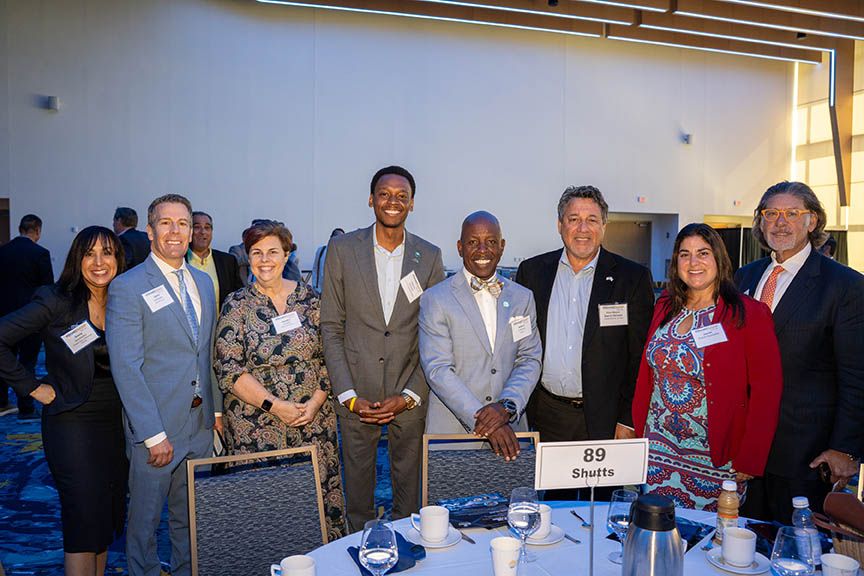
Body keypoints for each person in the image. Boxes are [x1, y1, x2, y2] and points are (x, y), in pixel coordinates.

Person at [321, 165, 445, 532]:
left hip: (409, 395)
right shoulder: (343, 249)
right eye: (385, 194)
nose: (393, 201)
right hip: (357, 396)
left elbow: (436, 335)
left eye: (401, 196)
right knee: (358, 499)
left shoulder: (429, 256)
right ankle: (358, 552)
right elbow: (331, 326)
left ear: (412, 203)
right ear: (371, 200)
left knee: (410, 499)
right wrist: (348, 396)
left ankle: (409, 551)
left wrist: (410, 395)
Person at [0, 226, 128, 575]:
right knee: (82, 516)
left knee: (104, 515)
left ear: (118, 259)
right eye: (89, 254)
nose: (99, 262)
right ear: (76, 259)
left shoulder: (124, 300)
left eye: (107, 253)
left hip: (116, 424)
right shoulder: (56, 300)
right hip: (71, 422)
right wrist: (31, 387)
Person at [735, 181, 864, 523]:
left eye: (792, 213)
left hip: (804, 456)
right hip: (744, 449)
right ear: (760, 222)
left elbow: (856, 375)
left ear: (812, 221)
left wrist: (845, 449)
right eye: (771, 213)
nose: (780, 222)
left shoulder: (844, 285)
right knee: (741, 540)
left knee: (796, 547)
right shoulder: (744, 277)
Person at [106, 194, 220, 576]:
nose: (175, 231)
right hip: (156, 429)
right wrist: (152, 434)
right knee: (144, 526)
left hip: (199, 425)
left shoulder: (203, 282)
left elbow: (205, 353)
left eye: (183, 223)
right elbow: (126, 367)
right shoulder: (128, 287)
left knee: (190, 520)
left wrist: (216, 414)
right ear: (150, 230)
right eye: (166, 223)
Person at [632, 223, 783, 510]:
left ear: (719, 259)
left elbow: (767, 392)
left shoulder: (748, 313)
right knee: (660, 528)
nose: (693, 263)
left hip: (715, 458)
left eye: (703, 253)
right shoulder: (665, 305)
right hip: (658, 450)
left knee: (710, 535)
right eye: (685, 254)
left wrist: (751, 457)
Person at [213, 220, 346, 540]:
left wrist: (315, 403)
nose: (265, 260)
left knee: (315, 507)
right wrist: (276, 406)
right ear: (247, 257)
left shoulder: (312, 299)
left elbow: (332, 355)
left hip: (313, 423)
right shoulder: (236, 304)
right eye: (256, 252)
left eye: (273, 251)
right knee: (265, 513)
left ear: (287, 255)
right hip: (256, 426)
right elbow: (229, 369)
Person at [514, 186, 654, 450]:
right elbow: (519, 344)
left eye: (591, 220)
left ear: (603, 226)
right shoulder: (532, 273)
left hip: (607, 420)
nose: (582, 228)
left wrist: (628, 419)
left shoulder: (631, 278)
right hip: (546, 415)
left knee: (603, 483)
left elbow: (640, 357)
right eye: (573, 219)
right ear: (560, 225)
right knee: (548, 481)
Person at [419, 211, 541, 460]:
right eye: (473, 242)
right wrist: (488, 421)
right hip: (453, 437)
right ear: (460, 247)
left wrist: (506, 408)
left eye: (491, 242)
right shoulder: (435, 299)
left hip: (512, 433)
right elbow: (438, 369)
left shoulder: (522, 298)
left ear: (502, 246)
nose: (483, 250)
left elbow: (529, 359)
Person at [0, 214, 54, 418]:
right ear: (37, 230)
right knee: (28, 361)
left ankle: (2, 402)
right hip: (32, 315)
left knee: (5, 358)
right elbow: (48, 288)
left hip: (5, 313)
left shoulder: (3, 251)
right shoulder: (40, 253)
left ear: (20, 228)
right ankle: (26, 406)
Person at [186, 211, 244, 309]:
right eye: (197, 227)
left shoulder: (227, 261)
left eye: (207, 227)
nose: (203, 232)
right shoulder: (179, 260)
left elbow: (239, 296)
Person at [311, 228, 345, 294]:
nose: (338, 240)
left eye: (341, 238)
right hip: (320, 291)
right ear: (331, 237)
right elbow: (315, 269)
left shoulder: (344, 254)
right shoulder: (321, 251)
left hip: (336, 292)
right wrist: (315, 286)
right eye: (336, 237)